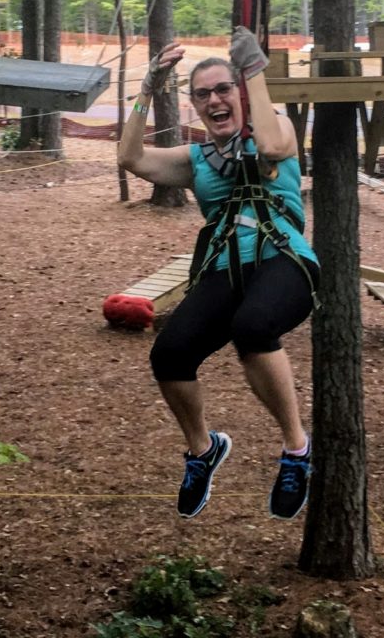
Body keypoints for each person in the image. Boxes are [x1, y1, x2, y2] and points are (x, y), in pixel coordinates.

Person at [117, 27, 320, 520]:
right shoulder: (197, 160)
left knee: (252, 328)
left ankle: (297, 450)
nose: (214, 100)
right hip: (224, 268)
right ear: (195, 106)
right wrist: (147, 88)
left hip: (284, 260)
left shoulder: (278, 130)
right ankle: (202, 448)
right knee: (169, 354)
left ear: (241, 96)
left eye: (223, 89)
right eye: (203, 94)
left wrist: (254, 72)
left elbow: (272, 148)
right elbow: (130, 158)